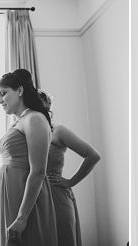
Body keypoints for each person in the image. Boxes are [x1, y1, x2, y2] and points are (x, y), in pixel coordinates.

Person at [0, 69, 58, 246]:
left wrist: (22, 217)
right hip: (11, 193)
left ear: (20, 90)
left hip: (24, 197)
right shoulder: (20, 121)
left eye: (3, 93)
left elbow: (38, 171)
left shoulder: (34, 119)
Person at [38, 91, 100, 246]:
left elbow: (93, 156)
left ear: (47, 106)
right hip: (34, 198)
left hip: (56, 196)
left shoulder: (57, 131)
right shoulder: (24, 133)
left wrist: (71, 181)